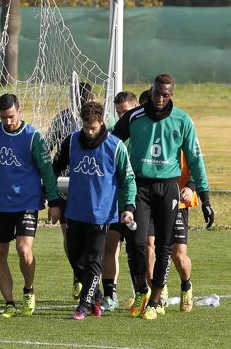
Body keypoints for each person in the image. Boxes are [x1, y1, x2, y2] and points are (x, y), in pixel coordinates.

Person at [112, 74, 214, 320]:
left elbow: (195, 159)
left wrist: (205, 198)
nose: (160, 99)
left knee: (164, 247)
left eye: (165, 95)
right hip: (140, 187)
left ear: (171, 95)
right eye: (157, 93)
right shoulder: (134, 117)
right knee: (136, 243)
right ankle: (141, 290)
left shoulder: (182, 120)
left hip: (168, 189)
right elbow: (111, 145)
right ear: (152, 90)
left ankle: (156, 301)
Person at [53, 101, 136, 320]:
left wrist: (128, 207)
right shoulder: (71, 142)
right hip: (74, 211)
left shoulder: (116, 146)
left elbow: (128, 179)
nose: (90, 132)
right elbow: (55, 167)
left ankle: (84, 305)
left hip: (101, 214)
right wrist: (52, 199)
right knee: (75, 258)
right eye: (86, 127)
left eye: (94, 128)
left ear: (101, 123)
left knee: (93, 260)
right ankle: (96, 295)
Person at [0, 94, 61, 317]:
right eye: (4, 117)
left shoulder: (33, 136)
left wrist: (54, 201)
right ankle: (9, 303)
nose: (8, 121)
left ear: (20, 111)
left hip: (26, 203)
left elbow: (47, 170)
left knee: (24, 250)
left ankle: (28, 289)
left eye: (12, 116)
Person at [47, 82, 95, 301]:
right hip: (67, 186)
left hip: (92, 186)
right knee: (69, 233)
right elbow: (49, 143)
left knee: (92, 236)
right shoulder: (63, 118)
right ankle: (78, 274)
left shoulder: (103, 120)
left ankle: (94, 282)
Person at [100, 91, 139, 312]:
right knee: (110, 245)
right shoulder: (115, 139)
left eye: (125, 112)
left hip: (137, 200)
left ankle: (144, 292)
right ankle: (110, 294)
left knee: (141, 248)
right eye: (118, 113)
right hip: (116, 200)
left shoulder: (141, 134)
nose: (121, 117)